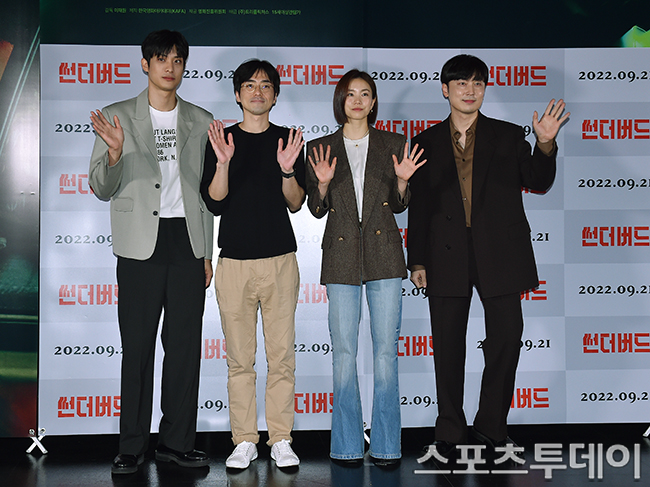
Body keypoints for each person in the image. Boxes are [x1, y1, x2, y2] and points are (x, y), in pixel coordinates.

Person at [407, 54, 569, 459]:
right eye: (461, 83)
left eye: (477, 83)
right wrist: (417, 259)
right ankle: (450, 428)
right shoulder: (425, 141)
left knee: (507, 337)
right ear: (445, 89)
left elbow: (538, 181)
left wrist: (545, 144)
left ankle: (492, 425)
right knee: (447, 344)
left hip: (500, 252)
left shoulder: (509, 135)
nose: (470, 90)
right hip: (444, 253)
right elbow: (419, 205)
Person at [89, 30, 214, 475]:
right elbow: (100, 187)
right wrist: (115, 153)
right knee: (137, 347)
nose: (170, 67)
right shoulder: (117, 116)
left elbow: (205, 194)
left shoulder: (201, 120)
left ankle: (177, 443)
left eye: (177, 60)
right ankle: (131, 446)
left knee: (184, 348)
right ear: (145, 64)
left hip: (187, 242)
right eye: (161, 59)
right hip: (139, 243)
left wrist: (206, 252)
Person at [305, 69, 425, 467]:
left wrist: (403, 182)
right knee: (343, 354)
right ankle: (346, 445)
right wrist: (322, 185)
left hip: (385, 255)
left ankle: (387, 445)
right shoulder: (320, 148)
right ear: (340, 100)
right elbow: (316, 208)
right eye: (350, 94)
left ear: (374, 102)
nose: (357, 100)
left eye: (365, 94)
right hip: (340, 257)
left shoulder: (394, 144)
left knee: (386, 353)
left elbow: (400, 204)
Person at [200, 59, 305, 469]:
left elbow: (296, 202)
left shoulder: (288, 139)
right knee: (240, 361)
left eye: (265, 85)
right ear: (237, 94)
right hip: (234, 264)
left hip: (280, 260)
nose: (257, 91)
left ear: (275, 95)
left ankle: (281, 438)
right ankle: (244, 439)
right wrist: (224, 162)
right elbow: (215, 201)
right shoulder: (220, 140)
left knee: (281, 357)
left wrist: (288, 170)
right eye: (249, 85)